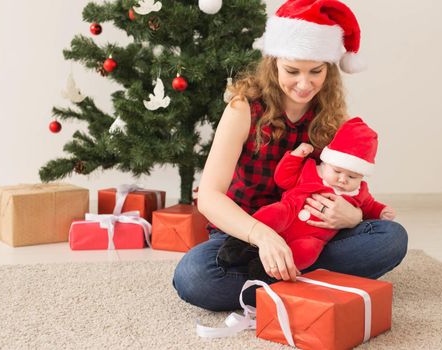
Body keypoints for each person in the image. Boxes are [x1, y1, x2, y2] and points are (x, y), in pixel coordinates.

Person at [173, 0, 408, 311]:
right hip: (246, 234)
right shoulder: (244, 109)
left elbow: (347, 184)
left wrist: (354, 216)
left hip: (310, 232)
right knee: (194, 276)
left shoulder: (332, 118)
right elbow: (209, 197)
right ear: (273, 64)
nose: (304, 83)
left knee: (391, 237)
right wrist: (264, 237)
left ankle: (281, 278)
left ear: (329, 69)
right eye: (292, 70)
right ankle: (309, 282)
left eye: (316, 71)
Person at [217, 117, 397, 279]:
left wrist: (380, 211)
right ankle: (239, 244)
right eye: (337, 171)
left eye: (352, 177)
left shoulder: (359, 192)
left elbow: (369, 206)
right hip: (289, 212)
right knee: (273, 214)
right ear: (325, 162)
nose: (343, 179)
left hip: (314, 236)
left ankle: (270, 271)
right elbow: (283, 178)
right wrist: (295, 157)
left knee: (308, 252)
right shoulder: (310, 169)